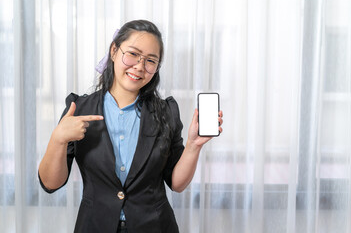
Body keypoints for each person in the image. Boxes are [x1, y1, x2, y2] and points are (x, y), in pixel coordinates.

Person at [38, 19, 223, 233]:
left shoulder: (166, 112)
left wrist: (193, 145)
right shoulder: (78, 108)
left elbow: (177, 184)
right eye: (133, 54)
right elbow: (50, 183)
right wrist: (57, 139)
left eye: (150, 60)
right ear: (114, 51)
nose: (139, 66)